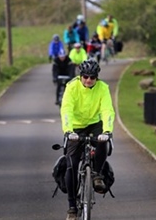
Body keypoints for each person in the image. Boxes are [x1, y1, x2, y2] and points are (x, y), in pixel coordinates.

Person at [60, 59, 115, 220]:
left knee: (102, 142)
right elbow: (66, 110)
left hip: (94, 124)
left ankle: (97, 174)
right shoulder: (71, 87)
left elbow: (107, 110)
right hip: (75, 127)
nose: (88, 80)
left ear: (97, 77)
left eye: (92, 77)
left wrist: (107, 131)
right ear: (80, 76)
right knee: (71, 165)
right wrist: (69, 130)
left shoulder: (103, 88)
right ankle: (71, 207)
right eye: (85, 76)